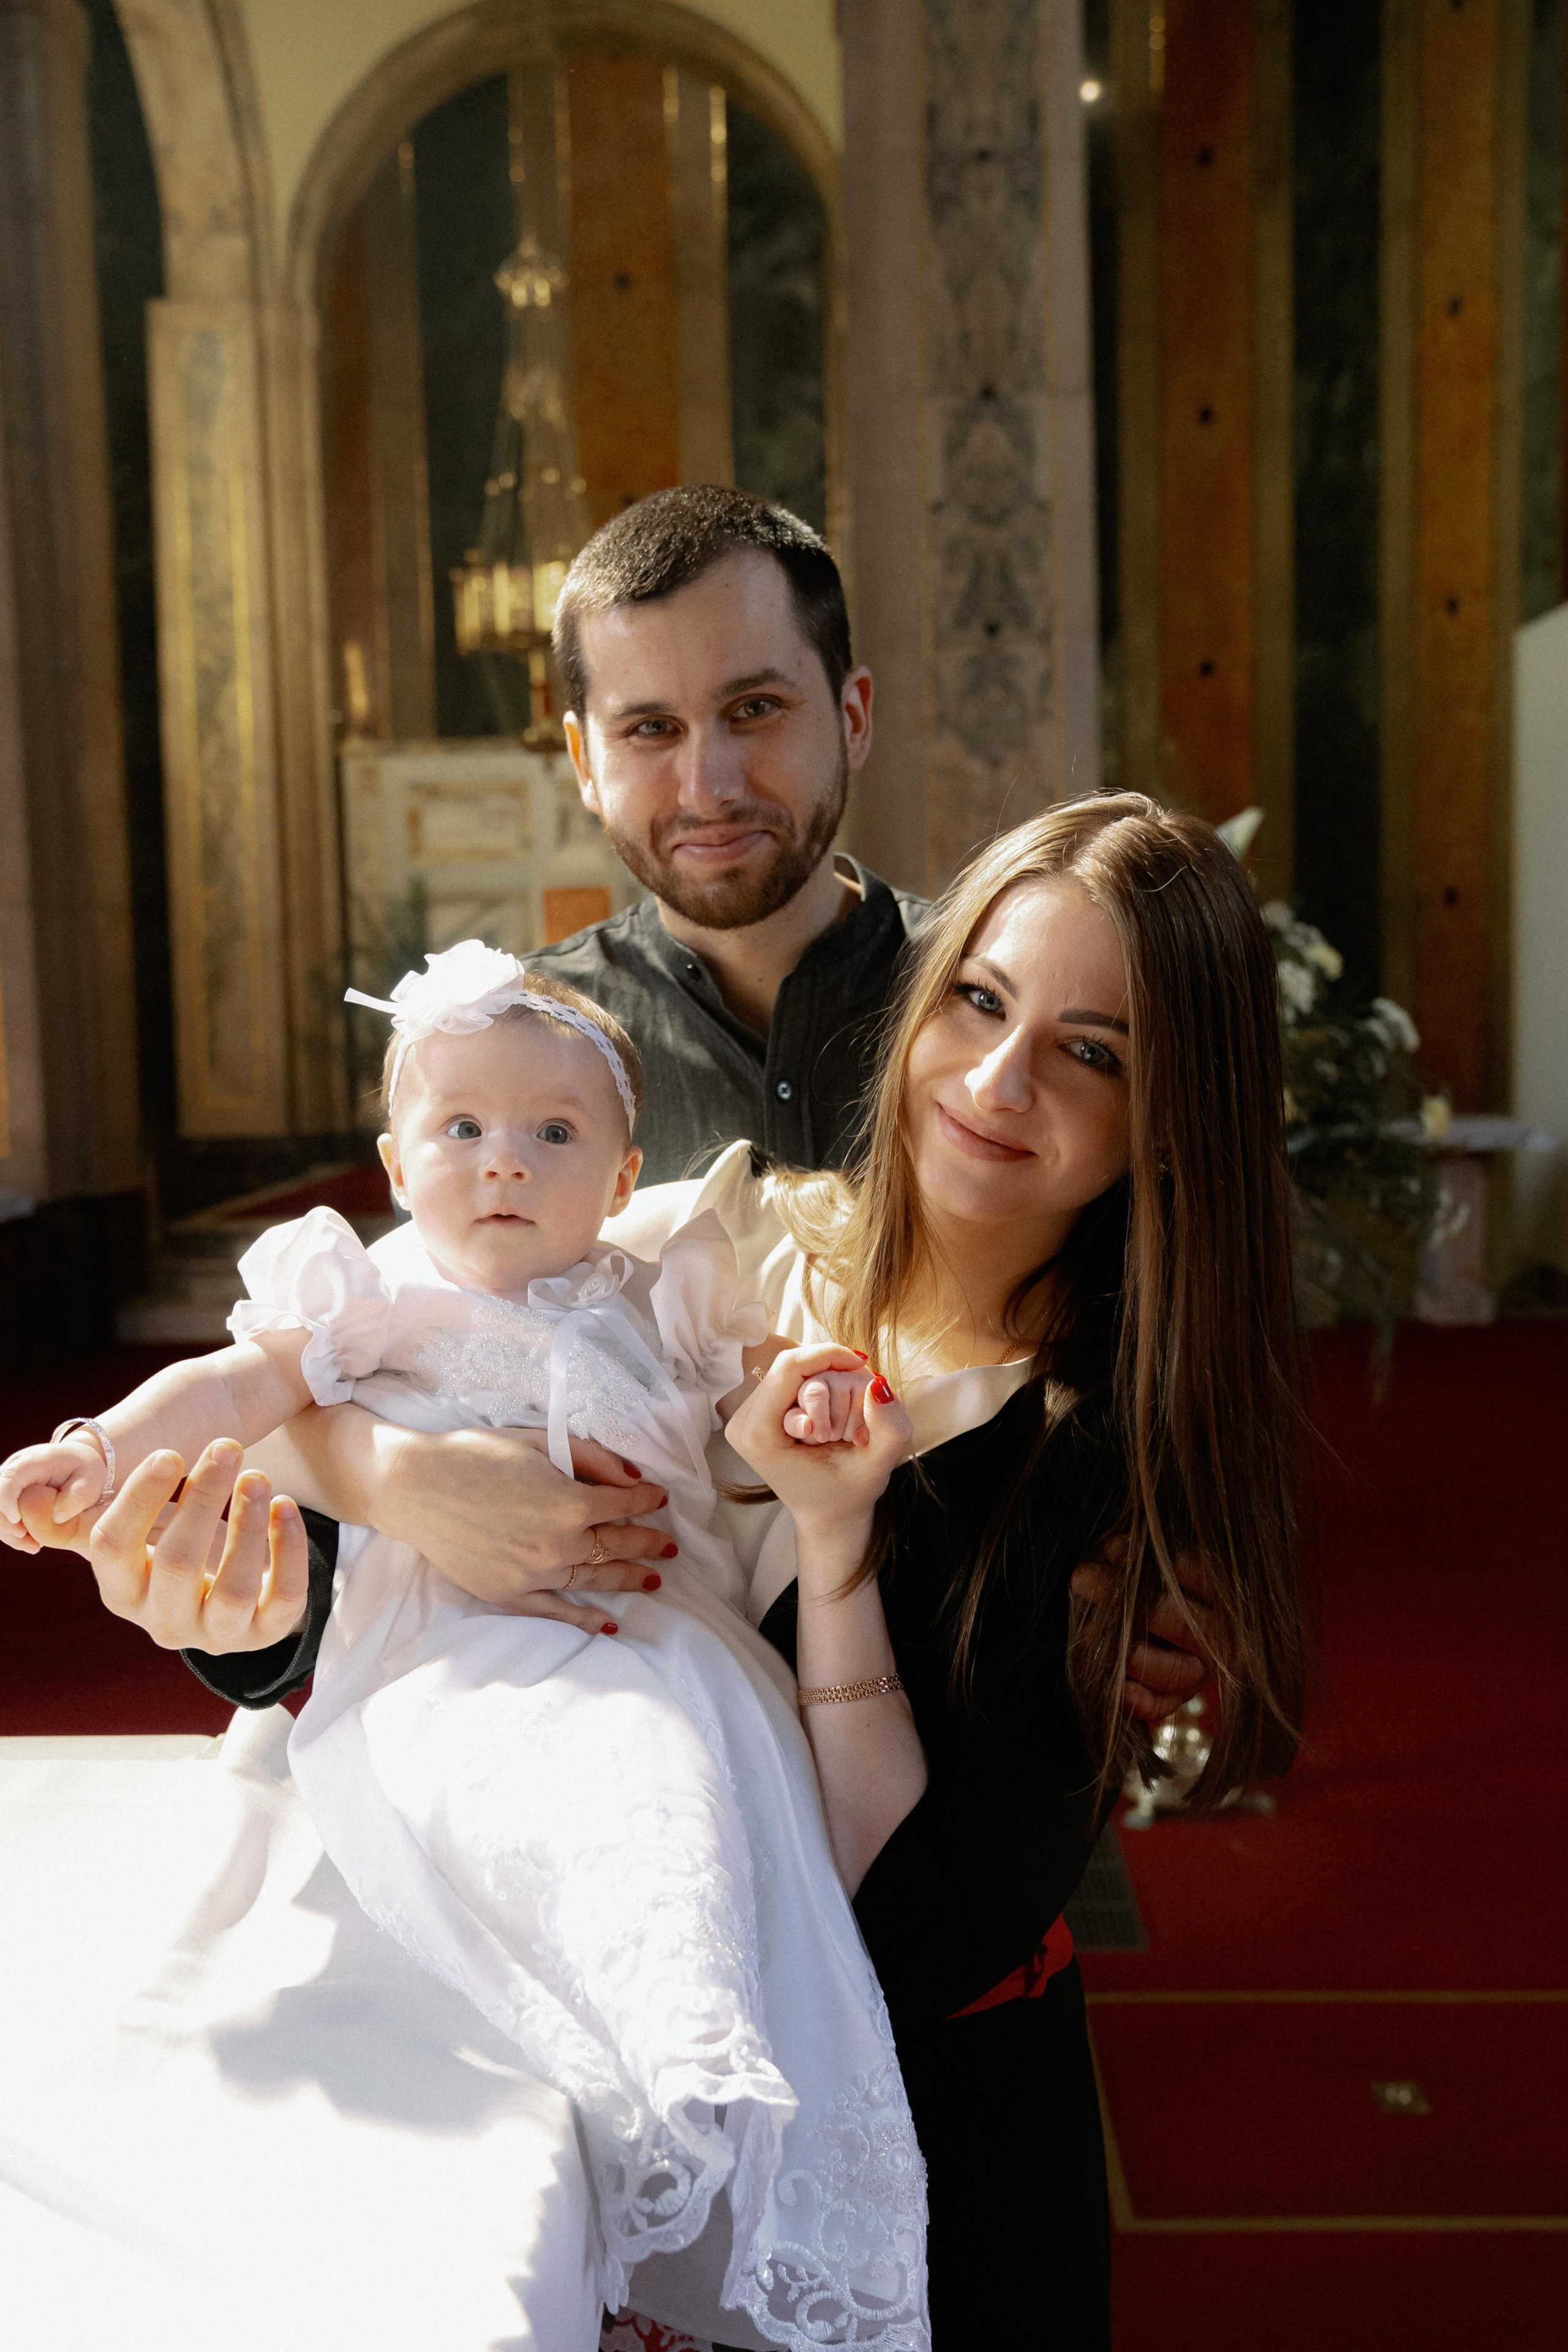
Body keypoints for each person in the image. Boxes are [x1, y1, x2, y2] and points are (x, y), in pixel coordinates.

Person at [40, 488, 1213, 1741]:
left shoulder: (994, 1029)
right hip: (583, 1717)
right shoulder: (516, 1067)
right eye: (648, 727)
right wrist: (375, 1489)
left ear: (851, 715)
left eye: (754, 709)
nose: (707, 781)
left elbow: (1148, 1344)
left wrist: (1150, 1559)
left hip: (966, 1742)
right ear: (583, 762)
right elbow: (384, 1376)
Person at [0, 946, 930, 2351]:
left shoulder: (660, 1289)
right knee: (491, 1826)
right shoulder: (373, 1302)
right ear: (393, 1160)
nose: (504, 1163)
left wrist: (797, 1398)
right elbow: (228, 1384)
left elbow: (751, 1393)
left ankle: (676, 2079)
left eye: (553, 1135)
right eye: (461, 1129)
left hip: (643, 1637)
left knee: (668, 1776)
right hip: (440, 1660)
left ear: (620, 1179)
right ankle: (596, 2114)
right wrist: (98, 1447)